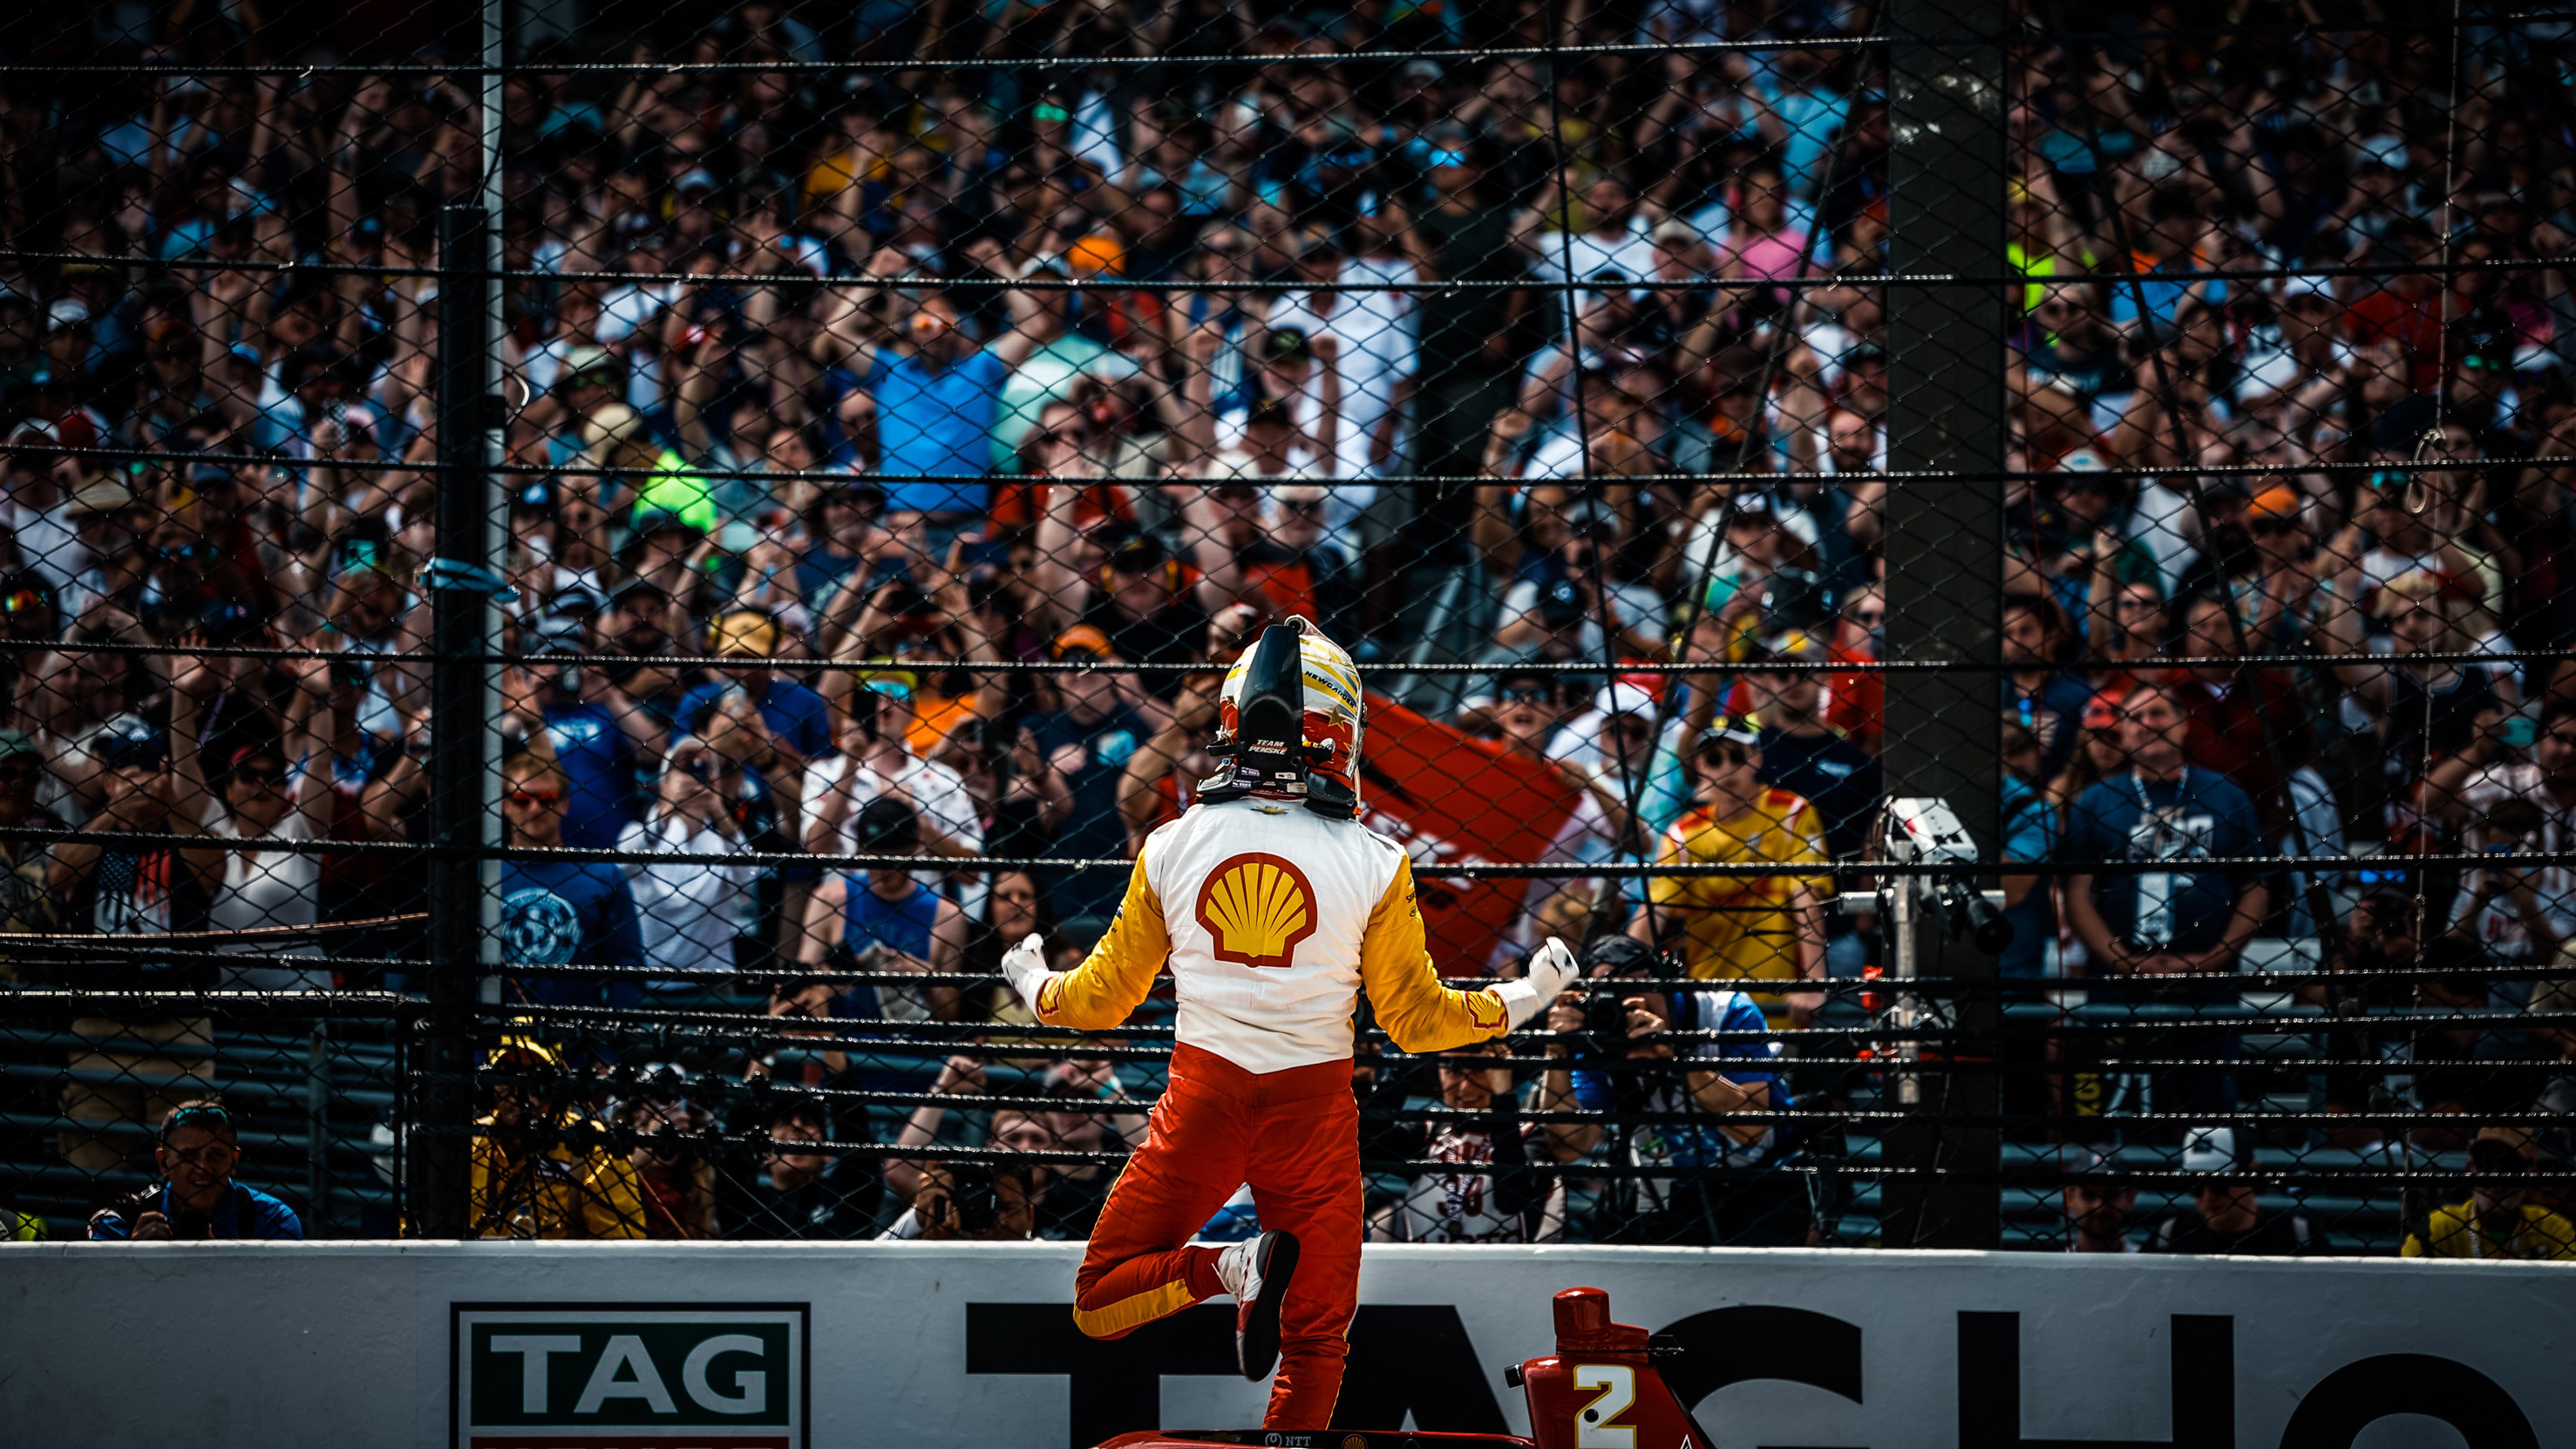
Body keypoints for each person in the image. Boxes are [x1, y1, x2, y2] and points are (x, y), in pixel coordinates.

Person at [992, 618, 1575, 1427]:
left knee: (1098, 1298)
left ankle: (1228, 1270)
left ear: (1231, 724)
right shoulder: (1376, 860)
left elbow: (1098, 1004)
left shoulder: (1170, 844)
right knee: (1315, 1340)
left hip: (1202, 1098)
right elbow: (1416, 1023)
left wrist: (1028, 978)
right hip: (1313, 1114)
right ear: (1340, 734)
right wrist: (1526, 996)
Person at [1537, 935, 1799, 1246]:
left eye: (1636, 989)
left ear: (1666, 982)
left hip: (1762, 1176)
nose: (1629, 1005)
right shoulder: (1600, 1031)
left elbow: (1751, 1127)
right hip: (1667, 1186)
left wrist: (1676, 1058)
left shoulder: (1725, 1011)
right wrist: (1557, 1053)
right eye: (1612, 993)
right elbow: (1570, 1148)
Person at [1630, 717, 1830, 1027]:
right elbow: (1653, 913)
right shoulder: (1684, 834)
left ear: (1757, 757)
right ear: (1700, 766)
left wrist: (1815, 982)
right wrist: (1623, 977)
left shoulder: (1791, 812)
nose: (1726, 768)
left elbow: (1806, 896)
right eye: (1714, 758)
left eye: (1737, 756)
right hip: (1709, 1004)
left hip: (1779, 998)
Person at [492, 752, 648, 1011]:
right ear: (505, 805)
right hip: (494, 1035)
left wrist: (606, 1039)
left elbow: (628, 964)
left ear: (564, 803)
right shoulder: (482, 873)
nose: (535, 808)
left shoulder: (601, 875)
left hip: (579, 1035)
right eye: (521, 799)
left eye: (547, 799)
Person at [1371, 1040, 1567, 1243]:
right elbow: (1368, 1144)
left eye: (1480, 1070)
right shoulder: (1429, 1131)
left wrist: (1503, 1100)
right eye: (1453, 1071)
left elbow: (1511, 1201)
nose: (1465, 1088)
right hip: (1430, 1270)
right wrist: (1411, 1061)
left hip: (1505, 1271)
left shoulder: (1530, 1135)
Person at [468, 1037, 647, 1240]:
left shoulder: (593, 1145)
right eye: (508, 1074)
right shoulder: (469, 1138)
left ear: (557, 1085)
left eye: (535, 1077)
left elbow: (621, 1248)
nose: (520, 1090)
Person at [86, 1099, 303, 1241]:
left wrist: (214, 1258)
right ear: (164, 1162)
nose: (202, 1167)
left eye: (216, 1155)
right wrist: (131, 1257)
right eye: (188, 1156)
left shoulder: (274, 1219)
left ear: (233, 1162)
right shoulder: (122, 1219)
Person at [719, 1095, 882, 1240]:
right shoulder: (748, 1203)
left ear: (827, 1153)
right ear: (765, 1156)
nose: (796, 1125)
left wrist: (837, 1071)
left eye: (807, 1122)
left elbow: (855, 1134)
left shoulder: (843, 1195)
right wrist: (764, 1062)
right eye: (784, 1121)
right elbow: (735, 1152)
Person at [2144, 1127, 2326, 1255]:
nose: (2208, 1197)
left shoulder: (2299, 1235)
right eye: (2196, 1185)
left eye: (2219, 1184)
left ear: (2251, 1174)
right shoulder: (2169, 1237)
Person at [2403, 1133, 2576, 1260]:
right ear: (2471, 1168)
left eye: (2510, 1164)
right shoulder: (2438, 1228)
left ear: (2530, 1174)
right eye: (2486, 1161)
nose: (2496, 1174)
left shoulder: (2553, 1228)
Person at [2060, 1154, 2139, 1253]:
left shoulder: (2148, 1264)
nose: (2099, 1207)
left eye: (2111, 1195)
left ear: (2130, 1198)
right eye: (2088, 1195)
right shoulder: (2054, 1266)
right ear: (2069, 1198)